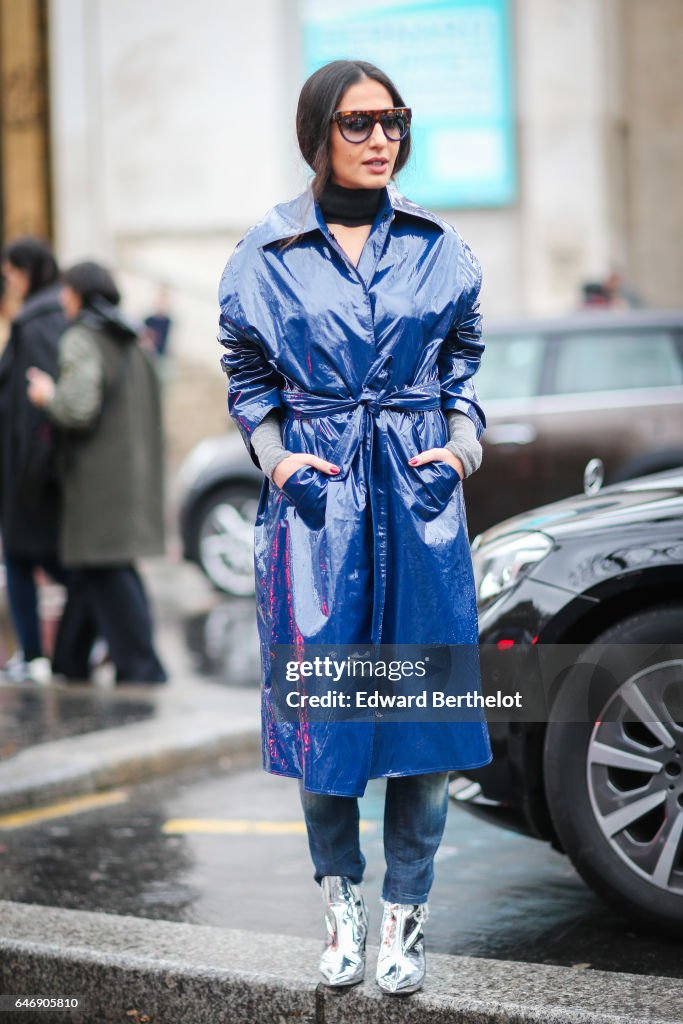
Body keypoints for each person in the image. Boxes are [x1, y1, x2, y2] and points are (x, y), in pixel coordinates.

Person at [218, 60, 491, 995]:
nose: (381, 139)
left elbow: (462, 367)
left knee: (422, 725)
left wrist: (458, 448)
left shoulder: (439, 246)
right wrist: (277, 457)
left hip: (417, 503)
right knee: (328, 724)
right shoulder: (265, 253)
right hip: (320, 504)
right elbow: (247, 376)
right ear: (316, 135)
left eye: (394, 121)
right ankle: (340, 906)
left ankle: (405, 923)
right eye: (359, 122)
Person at [25, 260, 167, 685]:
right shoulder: (132, 338)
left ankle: (142, 669)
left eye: (67, 292)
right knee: (95, 569)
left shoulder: (82, 338)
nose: (63, 301)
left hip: (97, 479)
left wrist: (47, 395)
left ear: (79, 295)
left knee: (106, 566)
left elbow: (78, 406)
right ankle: (68, 664)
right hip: (130, 473)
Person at [0, 237, 68, 684]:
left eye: (12, 274)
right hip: (39, 466)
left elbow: (32, 409)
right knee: (48, 557)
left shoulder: (33, 323)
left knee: (29, 558)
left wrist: (27, 473)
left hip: (28, 469)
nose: (10, 284)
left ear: (27, 272)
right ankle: (60, 650)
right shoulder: (55, 315)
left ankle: (36, 655)